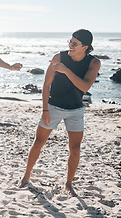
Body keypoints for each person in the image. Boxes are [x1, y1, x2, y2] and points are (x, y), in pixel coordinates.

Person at [19, 29, 101, 197]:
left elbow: (85, 87)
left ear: (85, 47)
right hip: (53, 107)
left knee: (75, 148)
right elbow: (46, 84)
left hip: (76, 110)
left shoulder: (94, 63)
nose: (70, 46)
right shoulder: (59, 58)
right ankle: (26, 176)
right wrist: (45, 110)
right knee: (39, 142)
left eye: (74, 44)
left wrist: (66, 71)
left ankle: (69, 184)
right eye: (69, 41)